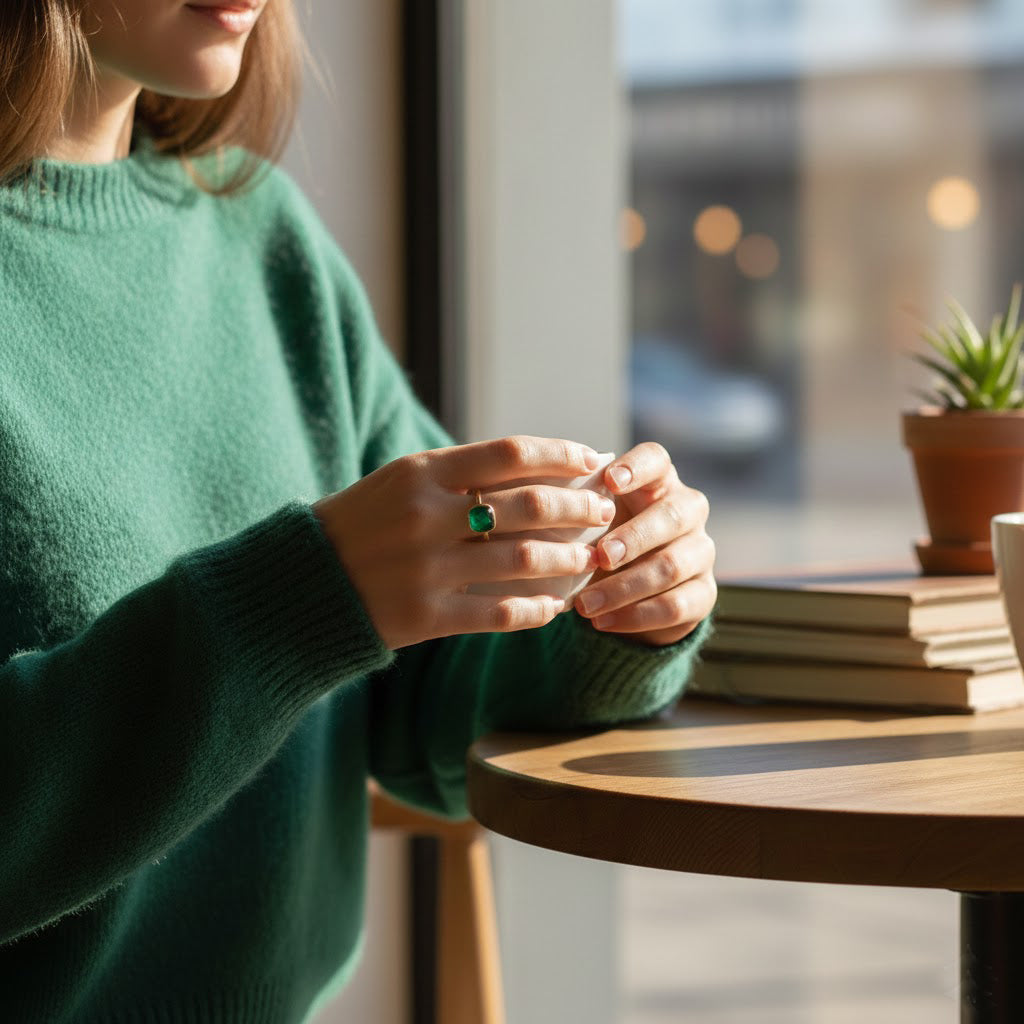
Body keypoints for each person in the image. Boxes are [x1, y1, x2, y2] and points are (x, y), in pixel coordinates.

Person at [0, 1, 716, 1021]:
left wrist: (617, 608)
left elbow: (427, 718)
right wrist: (303, 601)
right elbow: (331, 604)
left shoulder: (258, 232)